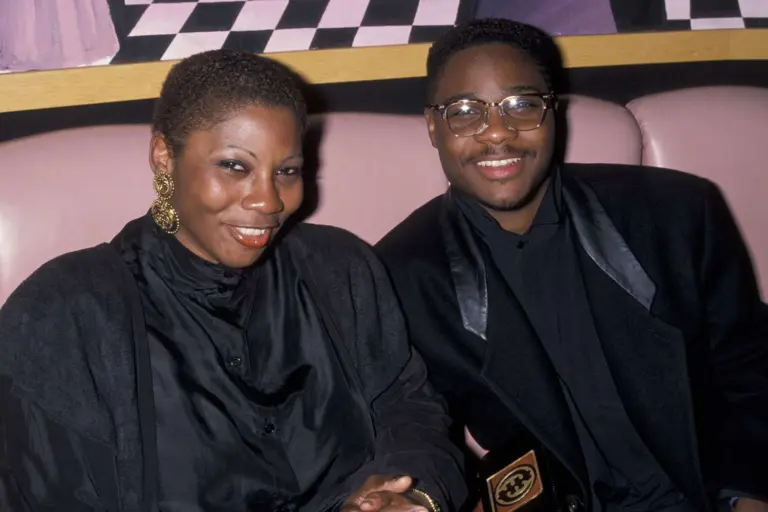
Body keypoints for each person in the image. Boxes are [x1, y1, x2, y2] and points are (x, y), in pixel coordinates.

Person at [0, 50, 466, 512]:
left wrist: (409, 494)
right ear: (164, 156)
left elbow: (408, 406)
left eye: (286, 171)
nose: (268, 200)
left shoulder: (338, 267)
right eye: (235, 166)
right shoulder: (64, 314)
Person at [375, 18, 768, 512]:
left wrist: (749, 494)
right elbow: (414, 419)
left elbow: (749, 367)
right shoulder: (400, 275)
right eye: (465, 111)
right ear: (434, 127)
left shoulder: (678, 213)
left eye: (521, 105)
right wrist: (417, 492)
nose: (496, 131)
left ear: (552, 112)